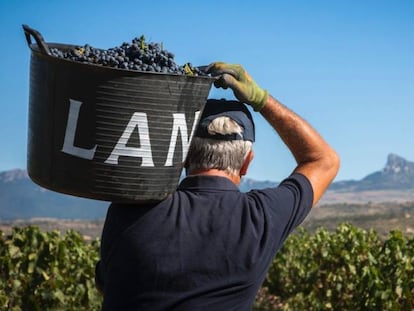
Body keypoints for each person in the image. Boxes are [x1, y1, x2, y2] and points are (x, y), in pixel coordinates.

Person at [95, 62, 340, 310]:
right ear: (247, 163)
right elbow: (324, 161)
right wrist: (261, 99)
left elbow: (107, 284)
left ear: (184, 156)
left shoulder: (132, 207)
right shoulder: (263, 217)